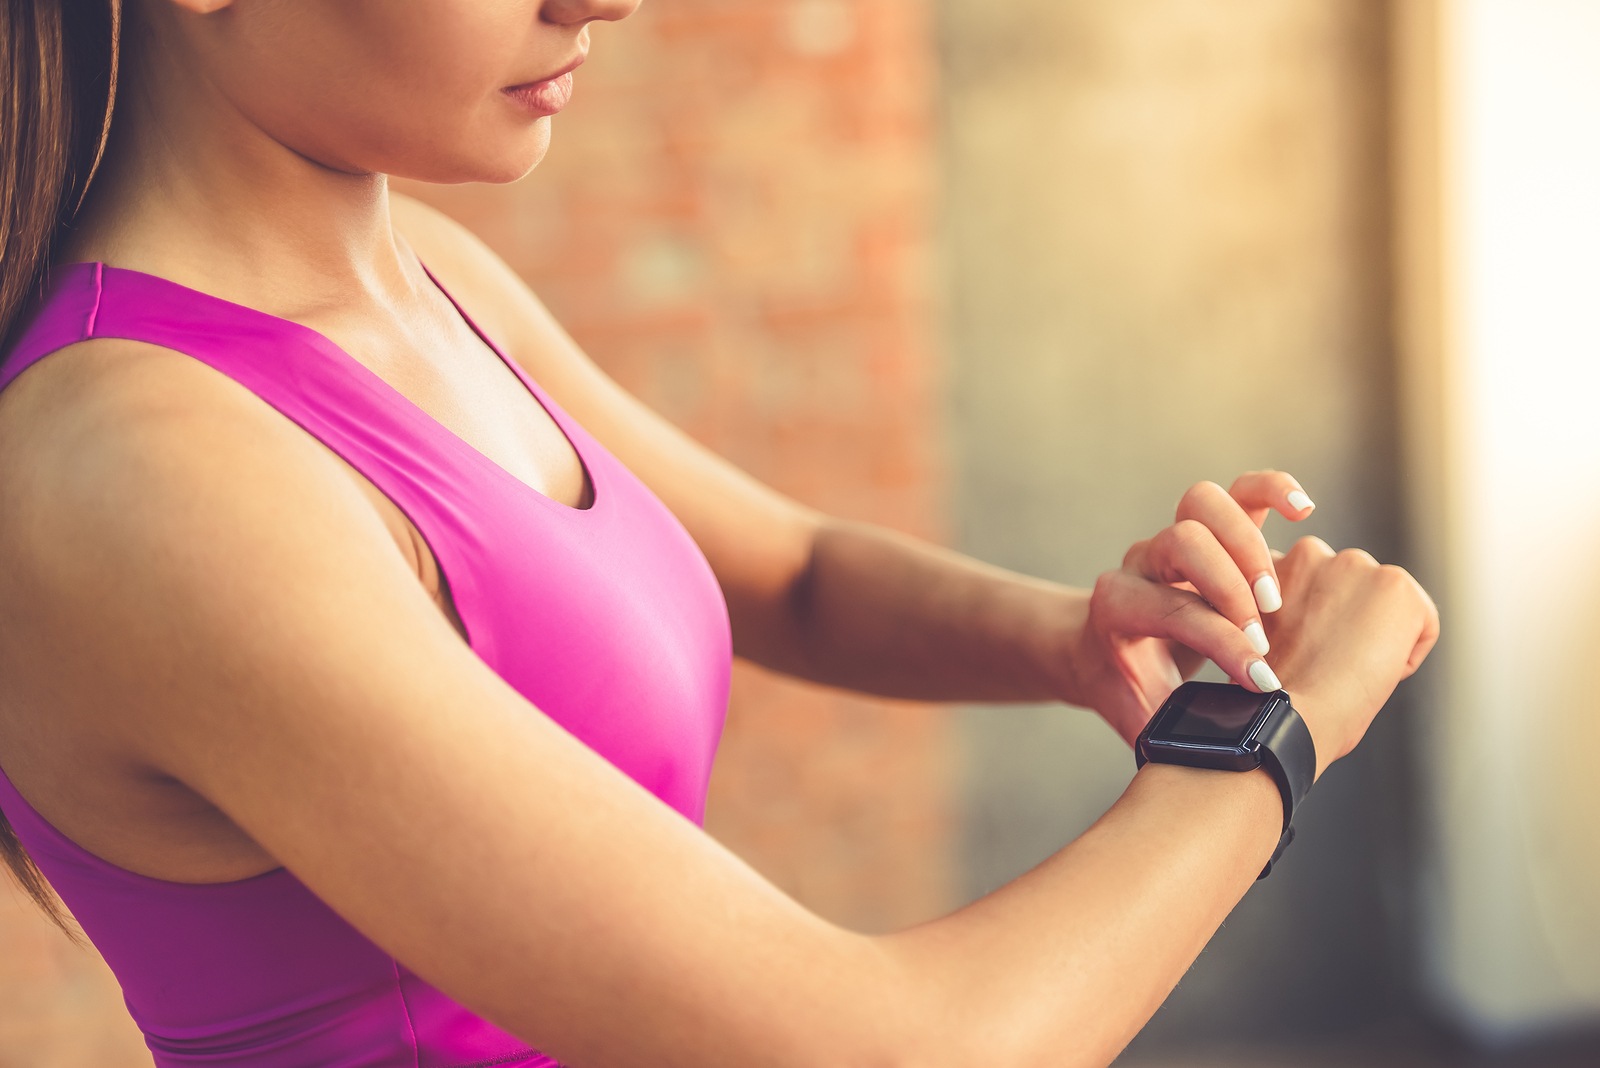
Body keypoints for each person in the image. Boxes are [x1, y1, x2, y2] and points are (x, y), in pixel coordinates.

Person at [0, 1, 1440, 1066]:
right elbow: (889, 1053)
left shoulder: (421, 278)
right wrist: (1277, 729)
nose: (603, 2)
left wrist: (1075, 637)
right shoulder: (136, 474)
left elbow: (794, 575)